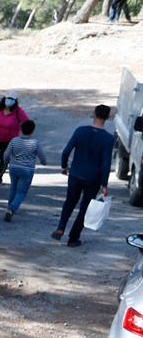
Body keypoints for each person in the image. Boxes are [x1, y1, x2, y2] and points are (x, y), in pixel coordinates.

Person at [52, 105, 114, 247]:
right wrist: (104, 184)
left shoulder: (80, 131)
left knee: (69, 202)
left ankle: (61, 227)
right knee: (84, 208)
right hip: (93, 178)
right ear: (107, 118)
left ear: (93, 114)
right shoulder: (108, 139)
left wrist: (64, 166)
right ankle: (73, 238)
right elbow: (106, 163)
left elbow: (66, 151)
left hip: (75, 174)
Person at [4, 120, 47, 221]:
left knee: (13, 188)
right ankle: (12, 209)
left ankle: (9, 208)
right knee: (22, 191)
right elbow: (42, 156)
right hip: (27, 170)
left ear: (21, 129)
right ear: (32, 131)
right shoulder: (35, 143)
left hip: (13, 167)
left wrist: (8, 161)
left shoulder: (14, 141)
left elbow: (6, 154)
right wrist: (43, 162)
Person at [0, 92, 29, 185]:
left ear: (15, 101)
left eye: (12, 99)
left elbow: (26, 123)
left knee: (4, 160)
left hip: (9, 141)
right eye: (8, 98)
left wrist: (20, 131)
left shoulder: (18, 111)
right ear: (4, 99)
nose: (9, 101)